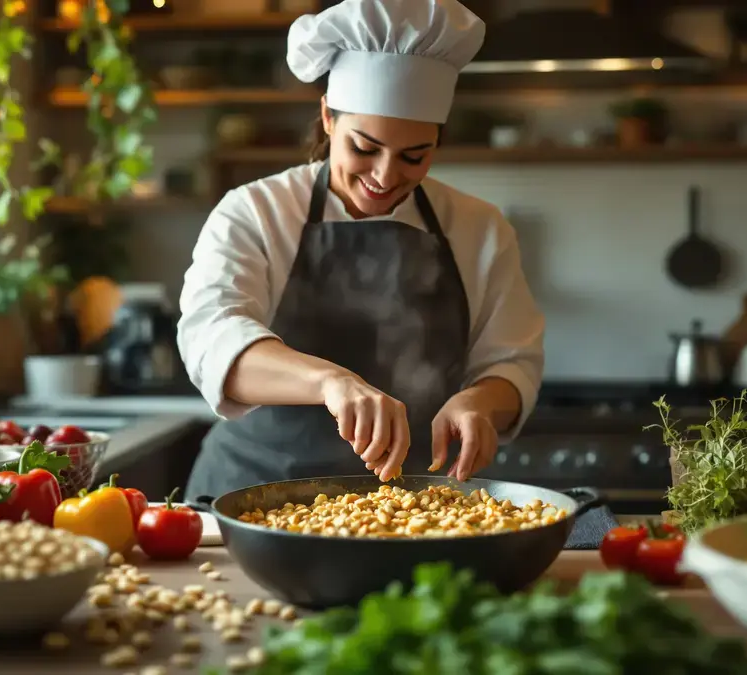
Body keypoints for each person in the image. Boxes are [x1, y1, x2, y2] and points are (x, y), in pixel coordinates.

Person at [178, 0, 545, 500]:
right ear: (328, 117)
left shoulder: (479, 228)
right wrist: (330, 382)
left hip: (410, 508)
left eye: (414, 155)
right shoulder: (255, 211)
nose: (385, 175)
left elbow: (512, 362)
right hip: (252, 497)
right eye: (365, 148)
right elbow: (212, 339)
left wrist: (480, 402)